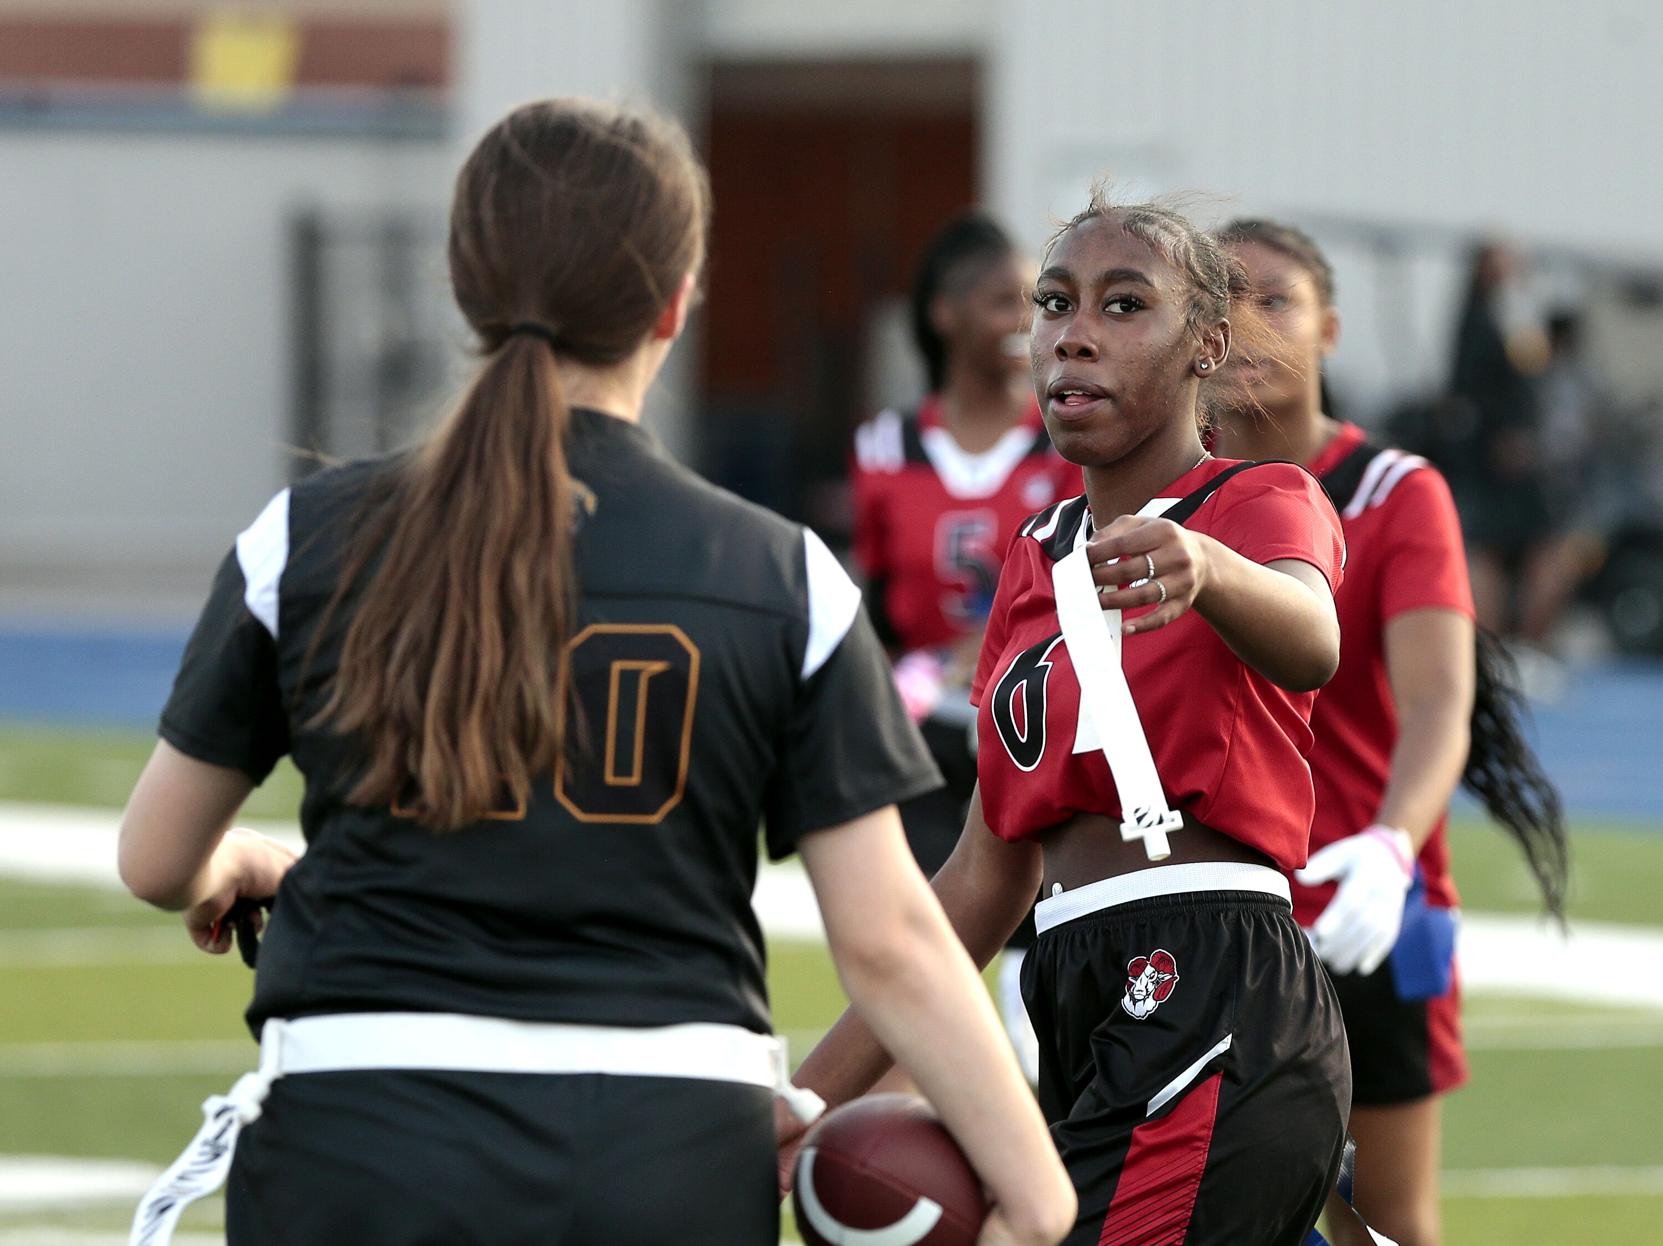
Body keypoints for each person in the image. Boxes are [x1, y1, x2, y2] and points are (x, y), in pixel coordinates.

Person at [117, 99, 1074, 1246]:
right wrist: (1036, 1186)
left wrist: (241, 859)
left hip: (358, 1144)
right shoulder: (777, 575)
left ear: (466, 287)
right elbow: (887, 942)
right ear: (677, 301)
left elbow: (155, 858)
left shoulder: (305, 538)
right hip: (657, 1159)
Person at [779, 191, 1353, 1245]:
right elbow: (982, 876)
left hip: (1210, 981)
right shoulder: (1032, 558)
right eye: (1055, 302)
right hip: (1075, 995)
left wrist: (1213, 569)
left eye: (1124, 303)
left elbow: (1311, 633)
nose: (1073, 331)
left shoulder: (1254, 501)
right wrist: (802, 1106)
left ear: (1205, 345)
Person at [1211, 218, 1568, 1246]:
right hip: (1212, 917)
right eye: (1220, 298)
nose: (1243, 321)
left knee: (1382, 1216)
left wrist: (1389, 846)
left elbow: (1436, 705)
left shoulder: (1395, 493)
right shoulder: (1167, 493)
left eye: (1273, 298)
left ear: (1329, 327)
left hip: (1373, 910)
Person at [852, 210, 1078, 1078]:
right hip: (920, 740)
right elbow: (874, 602)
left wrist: (977, 648)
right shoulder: (884, 445)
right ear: (944, 314)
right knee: (917, 983)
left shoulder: (1065, 439)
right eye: (1005, 300)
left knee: (1036, 1015)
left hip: (1032, 731)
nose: (1027, 321)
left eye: (1036, 301)